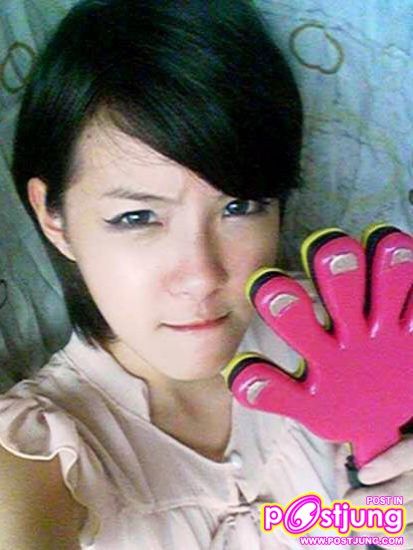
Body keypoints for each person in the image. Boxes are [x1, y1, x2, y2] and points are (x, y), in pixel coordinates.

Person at [0, 0, 411, 548]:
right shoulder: (36, 454)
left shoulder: (357, 332)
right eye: (137, 217)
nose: (200, 275)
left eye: (240, 206)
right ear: (54, 218)